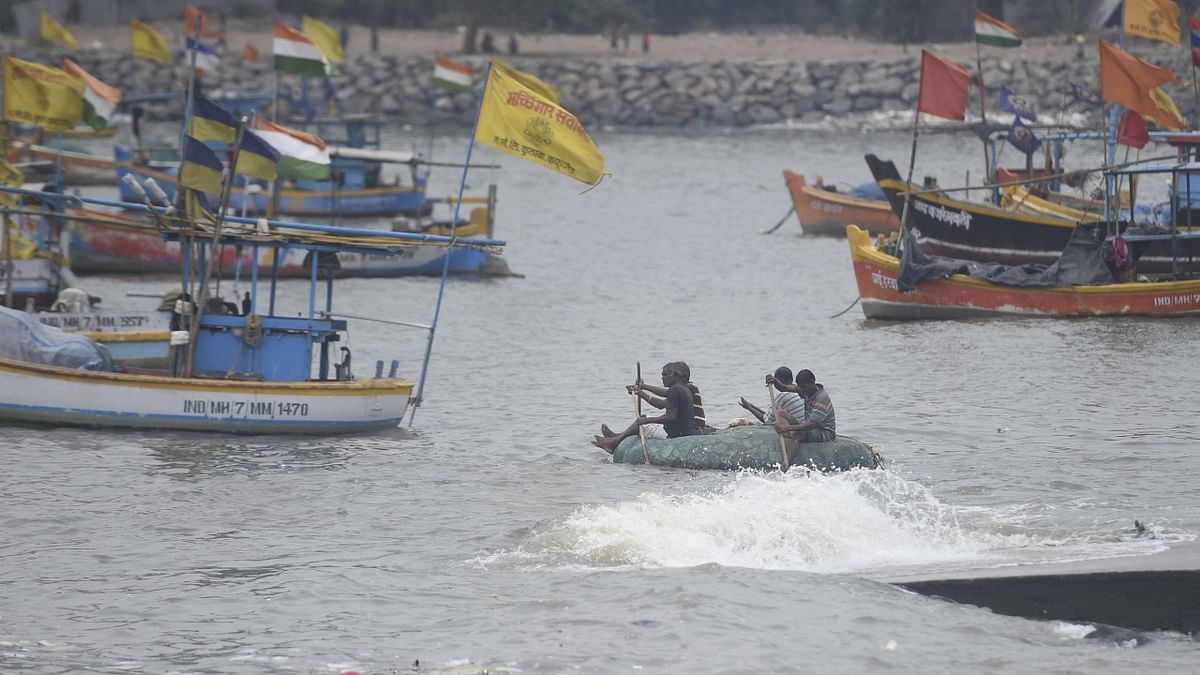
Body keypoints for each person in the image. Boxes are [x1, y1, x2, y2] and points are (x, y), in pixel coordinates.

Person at [592, 361, 696, 453]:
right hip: (681, 431)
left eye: (665, 375)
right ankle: (615, 437)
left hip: (674, 434)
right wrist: (642, 390)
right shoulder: (683, 389)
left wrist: (646, 421)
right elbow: (661, 404)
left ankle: (613, 444)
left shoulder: (675, 390)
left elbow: (670, 417)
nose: (662, 378)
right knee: (643, 417)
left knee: (641, 423)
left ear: (676, 375)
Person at [769, 369, 837, 455]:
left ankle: (784, 466)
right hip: (808, 424)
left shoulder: (821, 398)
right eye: (800, 387)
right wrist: (774, 381)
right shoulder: (805, 390)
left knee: (798, 434)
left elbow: (811, 425)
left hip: (824, 432)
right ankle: (789, 435)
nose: (802, 390)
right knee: (780, 413)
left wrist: (787, 428)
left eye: (803, 387)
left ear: (811, 382)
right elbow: (783, 388)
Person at [739, 366, 806, 424]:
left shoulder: (782, 396)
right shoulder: (800, 390)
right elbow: (769, 416)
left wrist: (750, 408)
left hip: (798, 429)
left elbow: (767, 421)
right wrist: (752, 406)